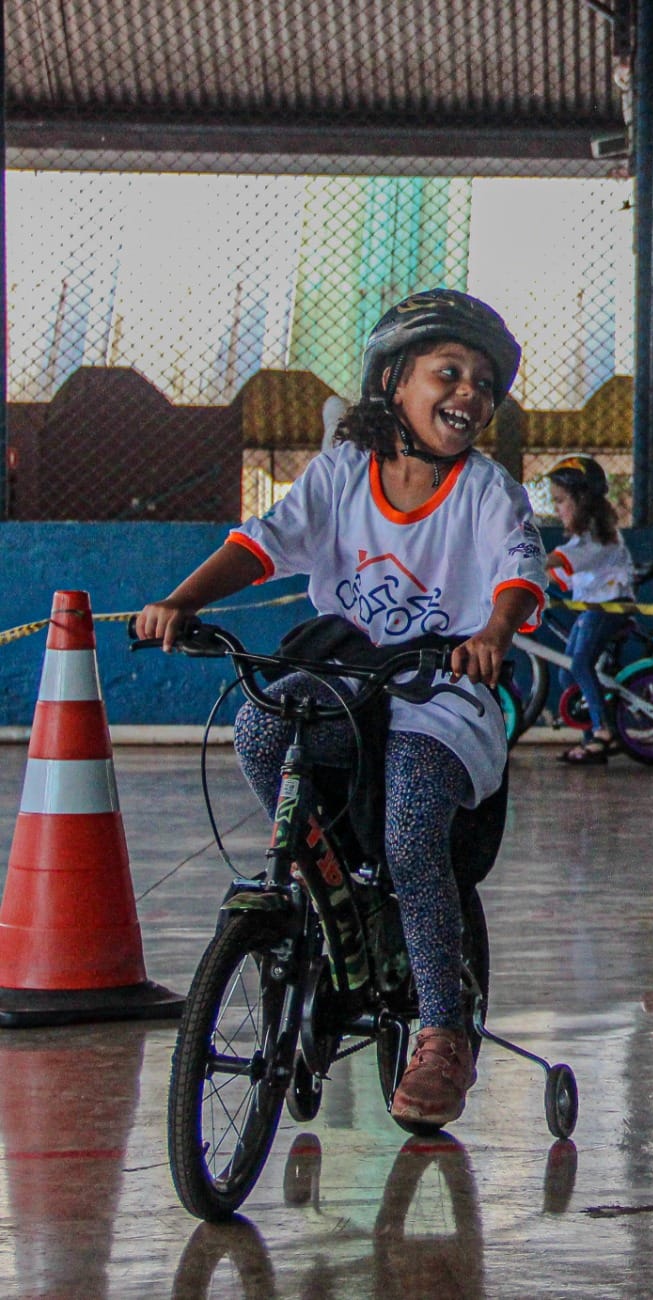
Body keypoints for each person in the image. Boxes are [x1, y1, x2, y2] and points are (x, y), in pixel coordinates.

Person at [135, 289, 546, 1130]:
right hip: (343, 681)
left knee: (409, 830)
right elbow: (258, 545)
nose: (469, 392)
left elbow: (518, 570)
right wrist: (178, 602)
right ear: (394, 380)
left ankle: (441, 1030)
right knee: (258, 726)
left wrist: (494, 633)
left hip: (440, 696)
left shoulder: (486, 491)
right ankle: (332, 893)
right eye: (449, 372)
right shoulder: (337, 476)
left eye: (484, 383)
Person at [545, 455, 634, 765]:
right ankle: (591, 738)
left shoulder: (597, 534)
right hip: (593, 607)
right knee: (569, 672)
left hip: (607, 607)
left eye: (560, 501)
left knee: (580, 662)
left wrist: (531, 563)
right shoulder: (587, 534)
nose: (557, 509)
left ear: (581, 500)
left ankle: (602, 729)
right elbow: (569, 574)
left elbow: (566, 559)